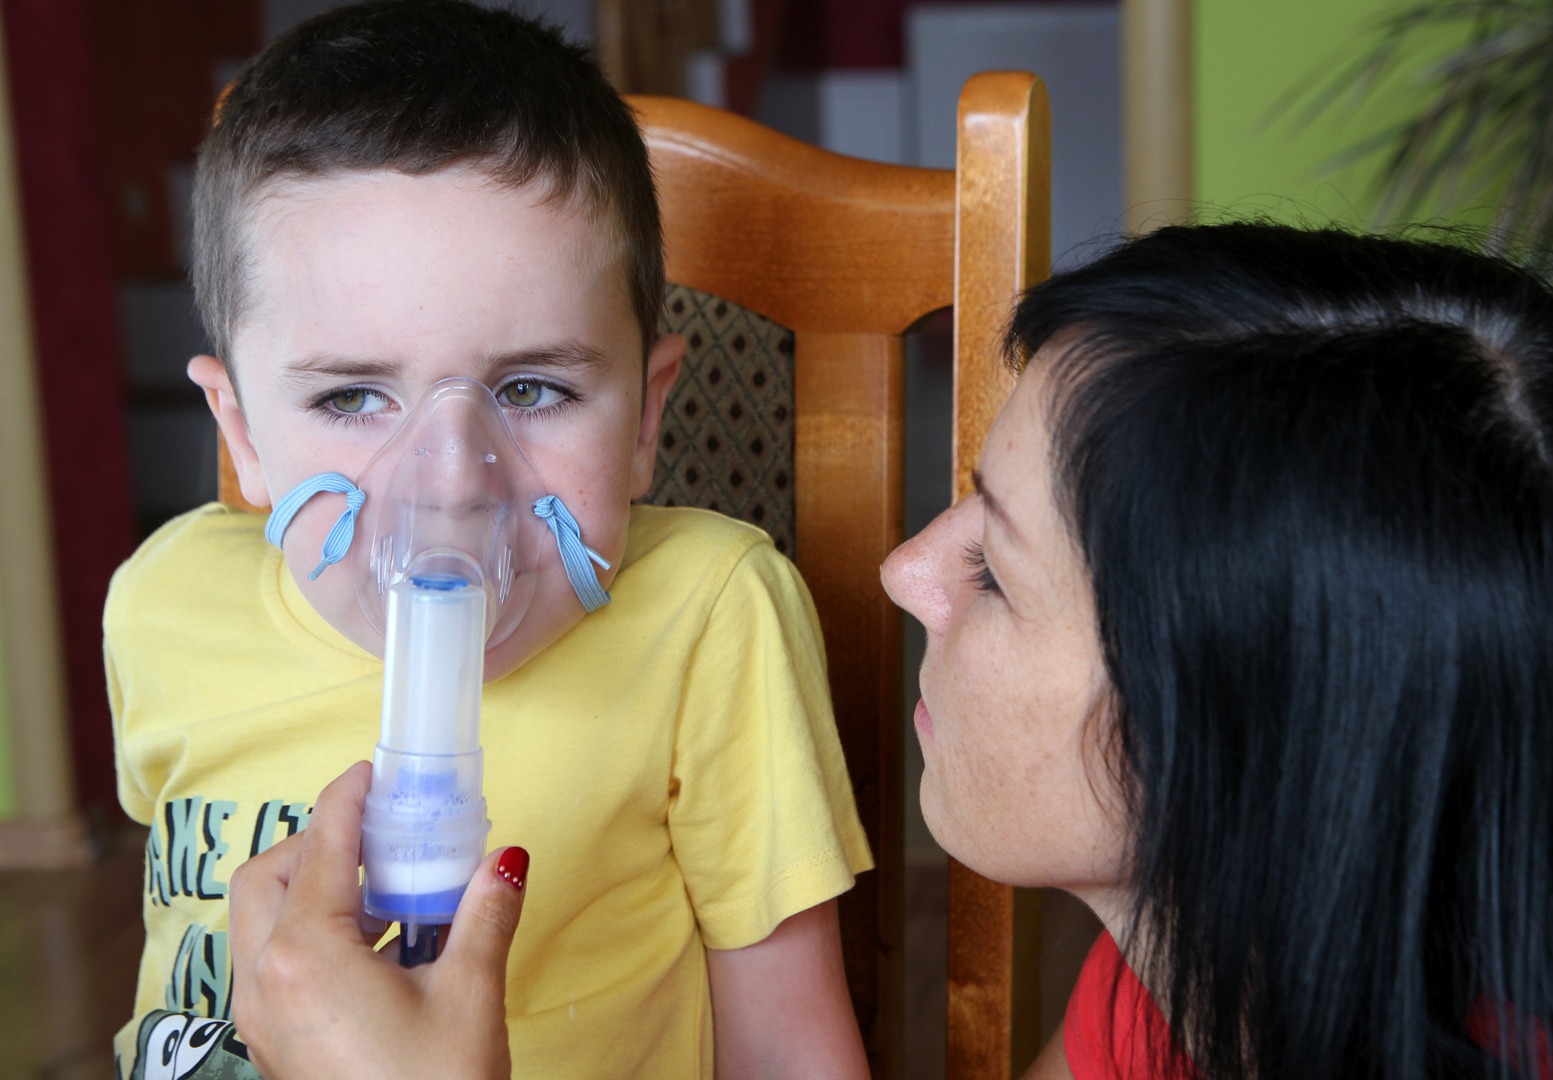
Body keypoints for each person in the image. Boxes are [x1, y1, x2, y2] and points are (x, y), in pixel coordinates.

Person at [235, 221, 1552, 1079]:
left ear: (1236, 731)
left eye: (996, 568)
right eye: (963, 501)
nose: (905, 569)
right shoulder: (1170, 992)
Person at [105, 3, 872, 1078]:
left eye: (530, 387)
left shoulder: (706, 619)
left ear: (647, 420)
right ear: (241, 435)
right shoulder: (162, 604)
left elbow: (788, 1048)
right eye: (354, 396)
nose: (454, 484)